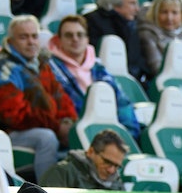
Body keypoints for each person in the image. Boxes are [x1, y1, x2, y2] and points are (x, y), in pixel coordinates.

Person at [0, 15, 78, 181]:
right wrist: (56, 127)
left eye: (34, 36)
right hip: (9, 132)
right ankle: (47, 192)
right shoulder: (2, 67)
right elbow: (15, 116)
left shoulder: (41, 65)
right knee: (47, 138)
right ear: (10, 41)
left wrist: (68, 123)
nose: (31, 42)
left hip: (43, 126)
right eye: (23, 37)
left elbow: (62, 100)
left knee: (77, 133)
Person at [47, 14, 141, 142]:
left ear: (87, 39)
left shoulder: (99, 69)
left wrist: (128, 134)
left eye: (80, 35)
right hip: (78, 135)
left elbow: (122, 103)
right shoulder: (50, 69)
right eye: (69, 35)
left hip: (110, 134)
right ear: (59, 40)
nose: (75, 39)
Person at [39, 128, 128, 189]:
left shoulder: (117, 184)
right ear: (90, 152)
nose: (111, 170)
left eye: (116, 166)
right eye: (107, 162)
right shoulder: (61, 173)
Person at [86, 0, 144, 83]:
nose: (137, 9)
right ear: (115, 5)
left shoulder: (132, 26)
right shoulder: (92, 21)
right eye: (132, 3)